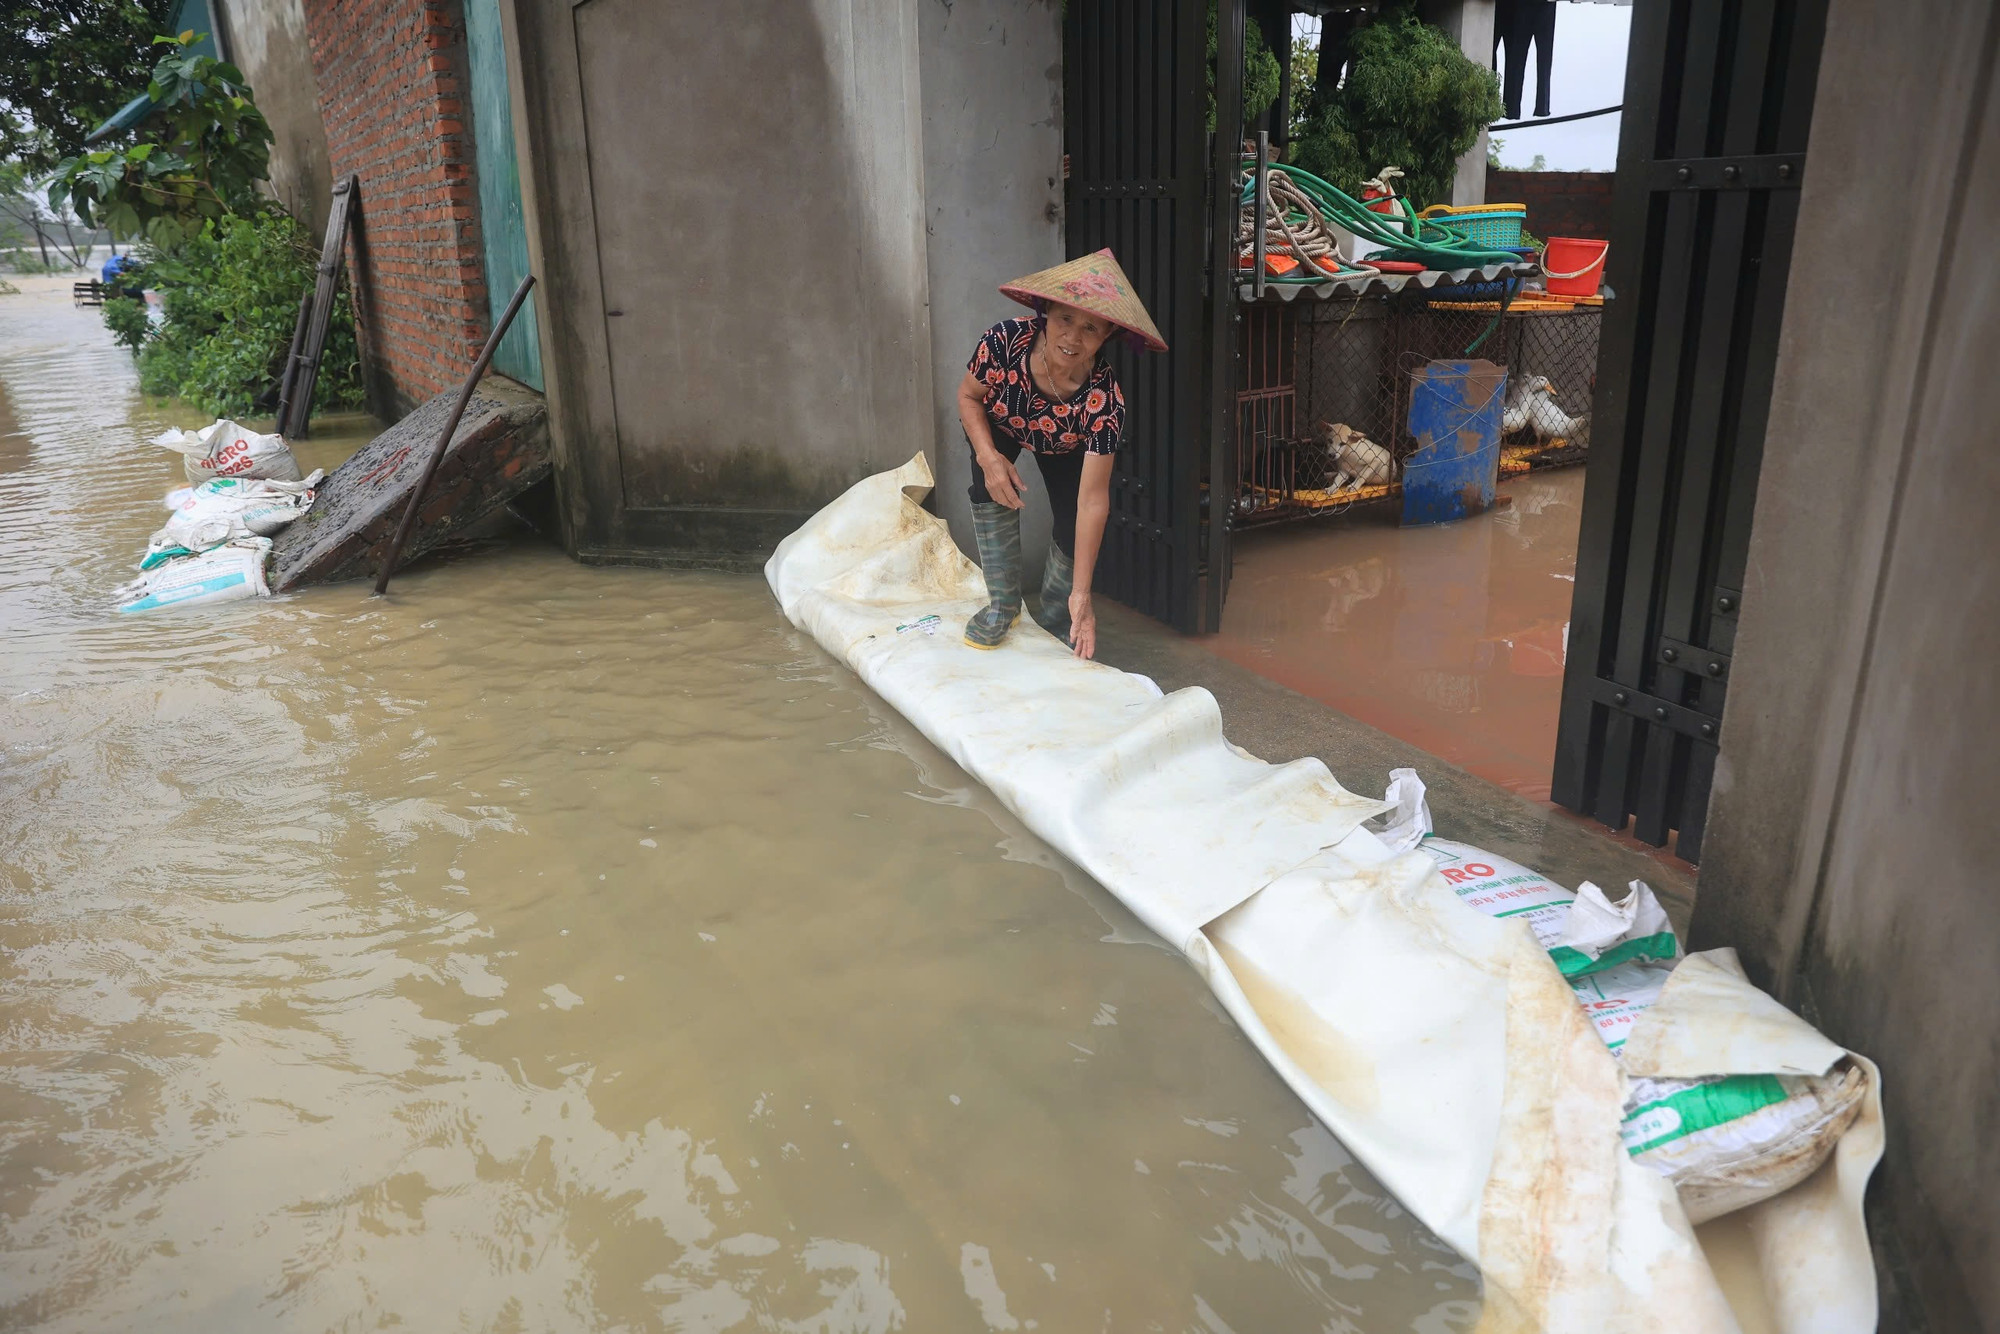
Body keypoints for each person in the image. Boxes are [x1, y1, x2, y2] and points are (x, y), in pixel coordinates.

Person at [956, 248, 1166, 658]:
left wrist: (1083, 595)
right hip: (1002, 423)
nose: (1072, 337)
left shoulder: (1105, 402)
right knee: (988, 489)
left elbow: (1093, 502)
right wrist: (987, 457)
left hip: (1062, 444)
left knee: (1073, 522)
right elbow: (968, 396)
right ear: (1046, 312)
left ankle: (1058, 616)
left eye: (1090, 327)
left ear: (1107, 335)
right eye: (1065, 318)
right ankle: (1003, 606)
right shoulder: (1003, 342)